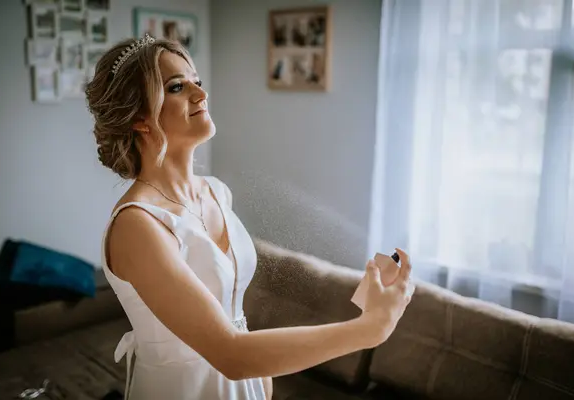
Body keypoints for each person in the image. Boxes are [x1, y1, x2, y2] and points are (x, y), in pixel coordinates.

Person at [84, 34, 415, 400]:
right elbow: (230, 353)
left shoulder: (215, 192)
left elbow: (233, 314)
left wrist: (261, 383)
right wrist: (369, 329)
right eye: (177, 87)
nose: (200, 94)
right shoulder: (137, 225)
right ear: (140, 119)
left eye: (198, 81)